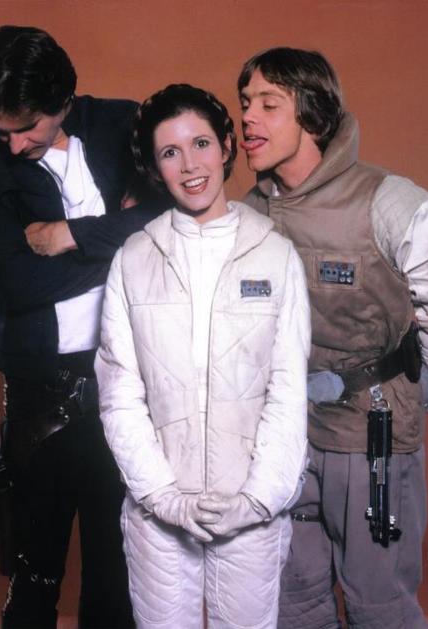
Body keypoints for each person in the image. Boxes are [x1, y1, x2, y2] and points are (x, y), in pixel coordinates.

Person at [237, 47, 428, 628]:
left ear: (312, 115)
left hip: (370, 442)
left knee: (379, 604)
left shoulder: (394, 204)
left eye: (268, 104)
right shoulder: (247, 215)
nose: (247, 118)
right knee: (294, 602)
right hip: (284, 442)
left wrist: (402, 394)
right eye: (245, 103)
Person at [94, 83, 311, 629]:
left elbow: (288, 391)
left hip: (251, 511)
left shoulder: (275, 254)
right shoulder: (134, 259)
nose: (190, 165)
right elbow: (120, 394)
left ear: (226, 147)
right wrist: (162, 497)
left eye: (201, 144)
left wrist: (258, 501)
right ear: (155, 168)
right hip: (158, 518)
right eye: (170, 152)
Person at [0, 25, 158, 629]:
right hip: (39, 393)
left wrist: (71, 235)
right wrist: (125, 242)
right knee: (34, 570)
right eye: (0, 129)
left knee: (116, 569)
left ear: (62, 98)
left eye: (27, 126)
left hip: (129, 381)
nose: (14, 143)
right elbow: (18, 282)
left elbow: (179, 210)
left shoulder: (125, 124)